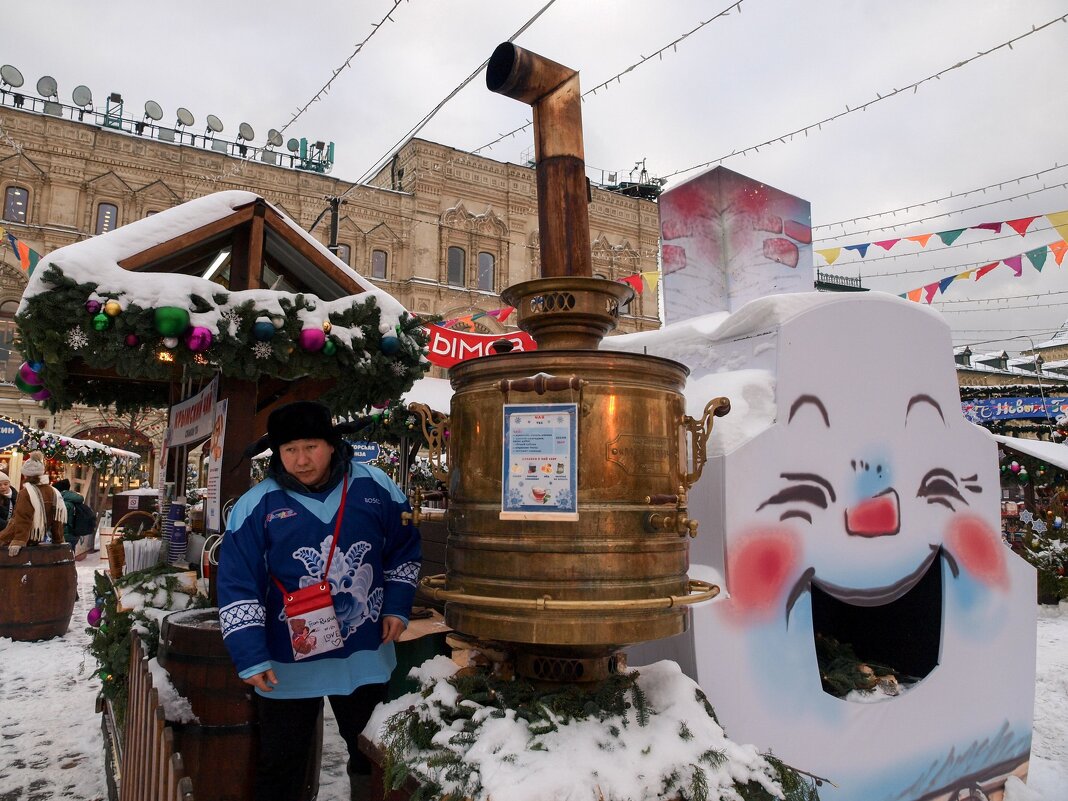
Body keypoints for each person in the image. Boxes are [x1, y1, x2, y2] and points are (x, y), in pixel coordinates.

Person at [217, 401, 421, 801]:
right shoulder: (256, 505)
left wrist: (397, 605)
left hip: (365, 653)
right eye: (289, 450)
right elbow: (238, 582)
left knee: (372, 755)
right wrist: (249, 655)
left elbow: (403, 551)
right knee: (281, 765)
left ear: (331, 443)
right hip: (286, 663)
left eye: (310, 446)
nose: (300, 459)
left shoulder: (376, 488)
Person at [0, 453, 67, 556]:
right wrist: (58, 539)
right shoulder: (53, 491)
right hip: (37, 537)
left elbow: (23, 517)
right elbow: (57, 519)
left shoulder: (26, 492)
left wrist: (19, 540)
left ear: (26, 475)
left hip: (15, 535)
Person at [53, 478, 85, 549]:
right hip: (74, 534)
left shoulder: (64, 503)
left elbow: (60, 520)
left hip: (65, 535)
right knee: (70, 554)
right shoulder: (73, 500)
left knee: (62, 556)